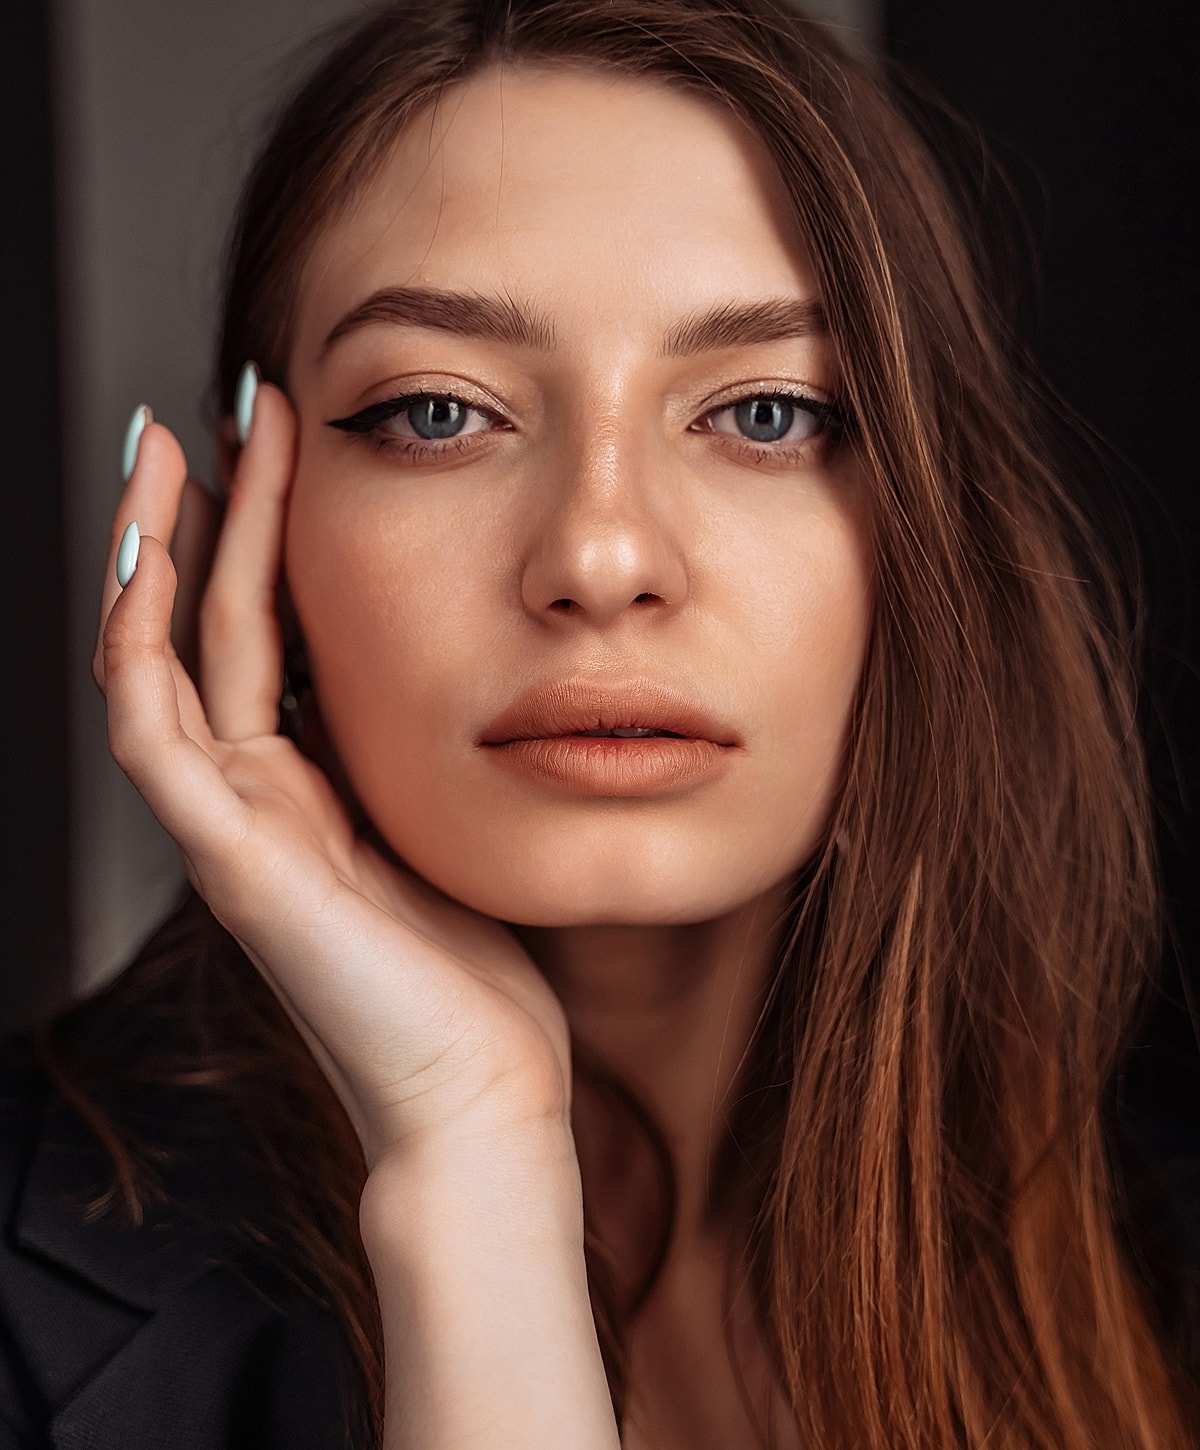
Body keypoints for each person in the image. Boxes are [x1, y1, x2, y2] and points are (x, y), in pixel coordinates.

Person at [2, 0, 1198, 1445]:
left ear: (937, 535)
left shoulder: (1150, 1247)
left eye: (768, 414)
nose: (600, 556)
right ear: (262, 521)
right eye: (441, 413)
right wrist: (468, 1166)